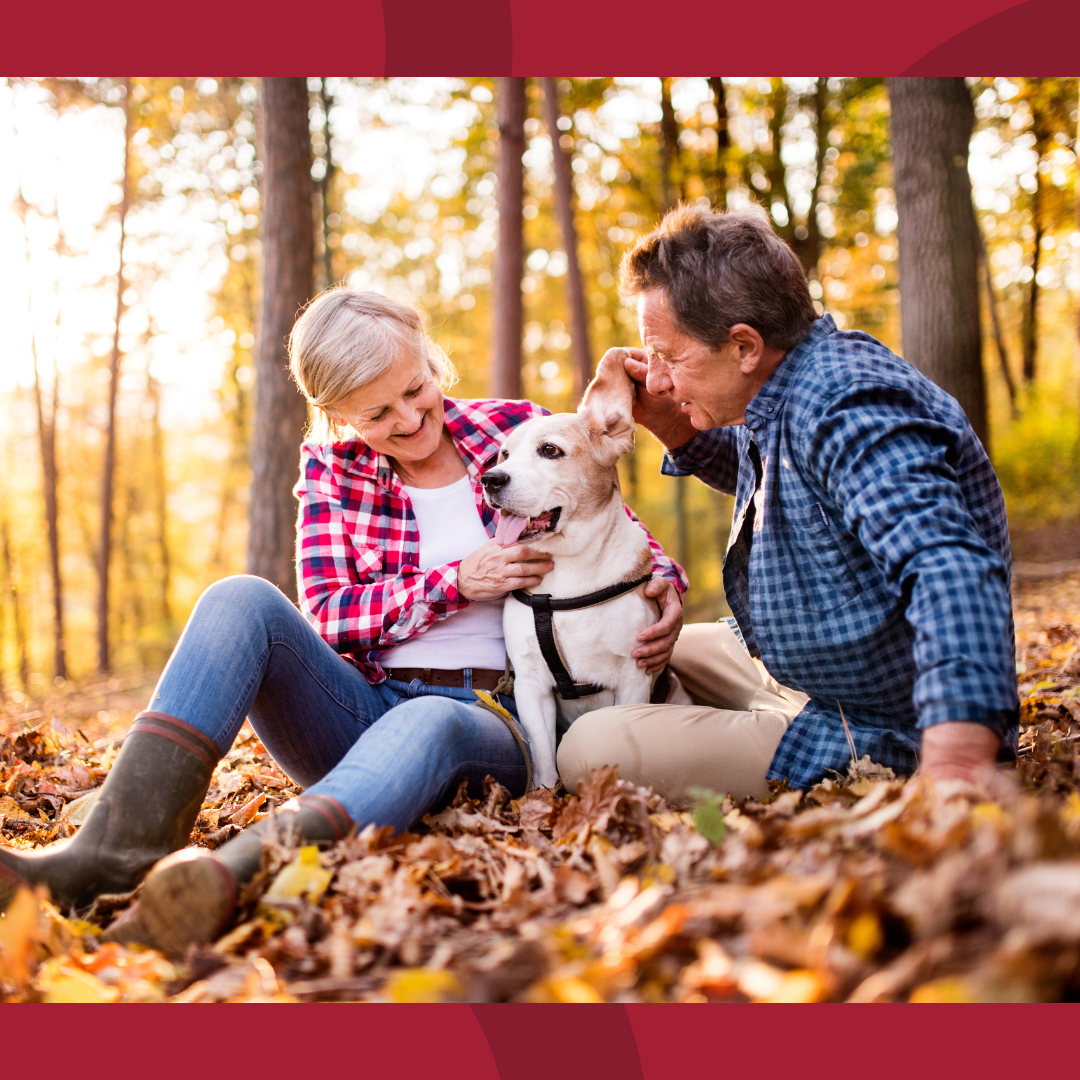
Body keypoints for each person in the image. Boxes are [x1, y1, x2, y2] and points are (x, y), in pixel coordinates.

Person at [0, 289, 686, 944]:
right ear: (338, 415)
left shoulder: (512, 431)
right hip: (360, 709)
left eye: (416, 390)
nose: (411, 420)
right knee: (239, 598)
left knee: (433, 716)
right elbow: (328, 615)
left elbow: (614, 530)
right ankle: (113, 852)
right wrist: (455, 582)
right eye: (377, 413)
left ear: (431, 362)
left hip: (493, 714)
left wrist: (668, 584)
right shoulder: (334, 472)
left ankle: (227, 878)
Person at [557, 205, 1018, 800]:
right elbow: (770, 479)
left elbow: (949, 570)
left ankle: (786, 742)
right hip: (795, 670)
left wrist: (956, 760)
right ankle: (746, 721)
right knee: (640, 643)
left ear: (744, 346)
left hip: (876, 722)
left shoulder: (847, 407)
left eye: (671, 357)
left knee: (592, 749)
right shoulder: (782, 386)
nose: (661, 378)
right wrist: (673, 421)